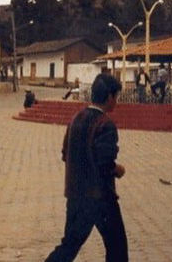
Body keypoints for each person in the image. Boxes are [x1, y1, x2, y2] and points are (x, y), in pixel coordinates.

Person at [45, 74, 128, 262]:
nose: (116, 101)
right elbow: (105, 163)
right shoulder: (105, 125)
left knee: (69, 246)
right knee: (117, 248)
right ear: (109, 97)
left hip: (75, 195)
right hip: (101, 198)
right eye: (116, 97)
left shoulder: (76, 118)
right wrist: (118, 169)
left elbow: (65, 154)